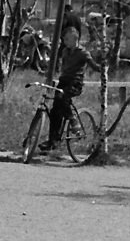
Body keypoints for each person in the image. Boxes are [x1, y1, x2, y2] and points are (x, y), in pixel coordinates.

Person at [38, 13, 92, 153]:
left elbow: (94, 65)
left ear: (76, 39)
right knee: (55, 111)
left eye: (67, 39)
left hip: (75, 83)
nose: (65, 42)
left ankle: (74, 120)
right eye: (64, 39)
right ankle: (52, 141)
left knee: (63, 98)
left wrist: (103, 65)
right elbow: (63, 68)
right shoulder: (65, 52)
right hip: (64, 82)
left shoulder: (83, 53)